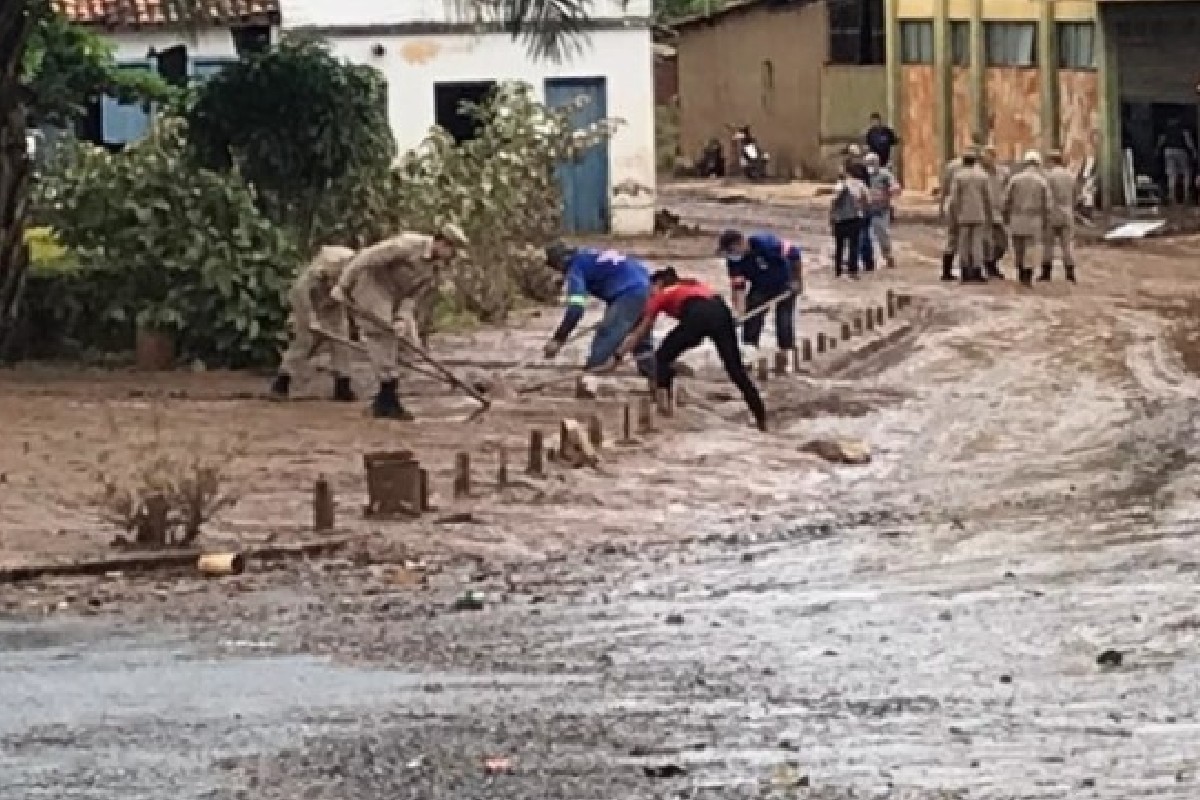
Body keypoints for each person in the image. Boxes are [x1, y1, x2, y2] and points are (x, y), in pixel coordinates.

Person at [331, 223, 467, 419]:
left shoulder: (435, 268)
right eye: (452, 250)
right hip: (373, 286)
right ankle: (387, 397)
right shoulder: (406, 245)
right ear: (442, 243)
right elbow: (366, 257)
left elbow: (413, 296)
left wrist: (402, 318)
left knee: (410, 345)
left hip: (398, 296)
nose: (452, 257)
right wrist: (342, 285)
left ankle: (385, 393)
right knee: (382, 334)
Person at [614, 267, 767, 432]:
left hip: (697, 316)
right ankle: (761, 418)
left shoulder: (660, 295)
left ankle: (664, 408)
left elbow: (641, 331)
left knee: (662, 357)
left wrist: (618, 355)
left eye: (650, 288)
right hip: (721, 312)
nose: (649, 293)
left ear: (658, 284)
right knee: (736, 370)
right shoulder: (692, 284)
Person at [542, 243, 654, 376]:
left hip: (628, 293)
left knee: (607, 334)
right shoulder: (589, 255)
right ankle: (656, 379)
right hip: (646, 286)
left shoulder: (575, 268)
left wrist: (558, 339)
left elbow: (575, 309)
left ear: (560, 263)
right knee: (640, 338)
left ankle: (589, 379)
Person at [270, 245, 358, 402]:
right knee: (303, 344)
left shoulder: (351, 276)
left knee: (342, 345)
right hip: (309, 308)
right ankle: (282, 383)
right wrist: (311, 319)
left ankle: (342, 386)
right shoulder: (309, 280)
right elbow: (299, 298)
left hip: (334, 311)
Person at [716, 229, 802, 356]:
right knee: (752, 314)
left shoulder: (764, 243)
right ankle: (749, 349)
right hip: (760, 286)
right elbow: (738, 288)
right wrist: (740, 313)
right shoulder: (734, 261)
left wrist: (796, 280)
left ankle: (787, 352)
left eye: (732, 250)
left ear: (742, 243)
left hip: (785, 284)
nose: (731, 254)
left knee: (784, 320)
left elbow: (794, 254)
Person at [946, 148, 995, 284]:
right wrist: (989, 213)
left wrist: (954, 214)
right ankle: (977, 270)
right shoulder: (982, 176)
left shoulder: (959, 176)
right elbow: (988, 197)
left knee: (964, 243)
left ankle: (965, 270)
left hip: (963, 214)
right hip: (979, 214)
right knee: (977, 243)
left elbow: (954, 198)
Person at [1001, 150, 1050, 287]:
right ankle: (1027, 275)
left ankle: (1020, 271)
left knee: (1018, 247)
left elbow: (1006, 199)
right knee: (1030, 247)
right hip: (1034, 219)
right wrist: (1046, 220)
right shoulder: (1042, 181)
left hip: (1016, 218)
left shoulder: (1015, 179)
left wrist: (1005, 216)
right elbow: (1048, 203)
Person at [1041, 150, 1078, 283]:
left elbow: (1045, 196)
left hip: (1052, 213)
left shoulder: (1048, 176)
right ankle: (1070, 272)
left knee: (1048, 245)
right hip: (1067, 212)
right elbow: (1075, 195)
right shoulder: (1070, 176)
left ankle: (1046, 272)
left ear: (1051, 161)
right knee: (1067, 244)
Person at [830, 166, 869, 279]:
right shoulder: (860, 184)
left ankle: (838, 271)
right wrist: (861, 208)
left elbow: (833, 201)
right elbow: (868, 200)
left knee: (839, 246)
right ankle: (853, 271)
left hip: (839, 220)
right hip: (855, 219)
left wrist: (831, 218)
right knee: (854, 246)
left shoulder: (839, 185)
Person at [864, 152, 900, 269]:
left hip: (881, 210)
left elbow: (895, 186)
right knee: (864, 236)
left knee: (882, 234)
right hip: (865, 210)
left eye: (872, 163)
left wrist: (893, 189)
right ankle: (867, 261)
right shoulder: (863, 175)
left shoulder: (884, 174)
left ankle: (887, 256)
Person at [980, 145, 1011, 280]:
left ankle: (992, 262)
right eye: (986, 156)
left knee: (1002, 243)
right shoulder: (979, 174)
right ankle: (989, 266)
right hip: (983, 212)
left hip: (998, 212)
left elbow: (1008, 190)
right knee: (986, 242)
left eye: (991, 155)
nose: (989, 159)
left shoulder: (1003, 173)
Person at [1157, 117, 1197, 205]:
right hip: (1180, 150)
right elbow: (1188, 140)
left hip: (1168, 151)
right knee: (1186, 172)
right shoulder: (1182, 128)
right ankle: (1186, 194)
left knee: (1171, 174)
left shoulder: (1166, 129)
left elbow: (1161, 140)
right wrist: (1193, 151)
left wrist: (1157, 150)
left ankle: (1172, 195)